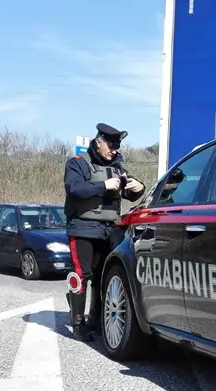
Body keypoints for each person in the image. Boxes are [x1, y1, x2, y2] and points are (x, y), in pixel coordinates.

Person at [63, 123, 146, 341]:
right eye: (111, 145)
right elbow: (74, 189)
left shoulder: (119, 167)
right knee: (81, 275)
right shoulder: (78, 164)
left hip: (109, 230)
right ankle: (78, 324)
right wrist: (103, 186)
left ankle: (95, 320)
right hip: (83, 228)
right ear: (99, 142)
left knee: (102, 278)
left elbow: (129, 195)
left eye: (117, 146)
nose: (114, 150)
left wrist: (139, 188)